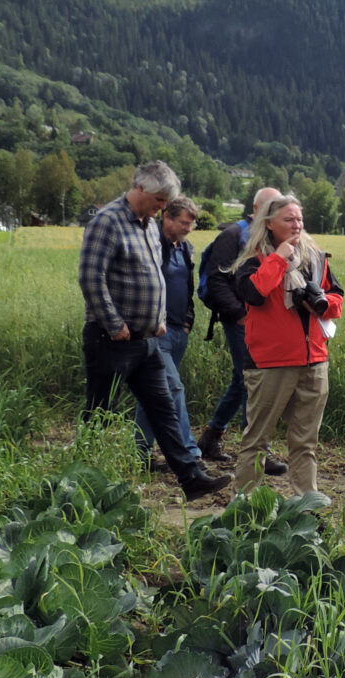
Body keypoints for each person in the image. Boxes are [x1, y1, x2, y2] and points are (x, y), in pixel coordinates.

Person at [78, 161, 229, 501]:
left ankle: (191, 478)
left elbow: (154, 278)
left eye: (166, 202)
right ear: (141, 188)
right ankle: (83, 482)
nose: (163, 207)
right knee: (100, 411)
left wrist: (159, 318)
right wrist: (114, 325)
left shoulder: (147, 225)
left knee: (164, 408)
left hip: (147, 340)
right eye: (160, 199)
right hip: (111, 340)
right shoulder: (107, 222)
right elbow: (91, 278)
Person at [230, 195, 343, 498]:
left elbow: (338, 300)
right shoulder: (252, 262)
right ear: (268, 224)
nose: (297, 225)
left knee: (305, 443)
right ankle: (244, 510)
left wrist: (321, 304)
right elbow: (254, 294)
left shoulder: (316, 259)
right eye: (288, 220)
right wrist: (279, 258)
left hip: (314, 362)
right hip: (271, 365)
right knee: (257, 441)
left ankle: (308, 508)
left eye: (299, 219)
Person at [196, 186, 286, 477]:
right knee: (254, 380)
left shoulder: (271, 239)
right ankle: (259, 450)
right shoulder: (234, 236)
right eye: (272, 206)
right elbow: (217, 281)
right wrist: (239, 315)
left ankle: (212, 436)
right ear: (257, 208)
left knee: (242, 379)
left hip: (263, 322)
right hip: (242, 322)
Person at [136, 196, 203, 471]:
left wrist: (187, 322)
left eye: (191, 224)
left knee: (154, 393)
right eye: (184, 223)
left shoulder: (184, 249)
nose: (188, 228)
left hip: (178, 332)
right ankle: (189, 453)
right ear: (168, 217)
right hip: (154, 333)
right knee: (173, 388)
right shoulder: (152, 246)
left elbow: (186, 288)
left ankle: (138, 453)